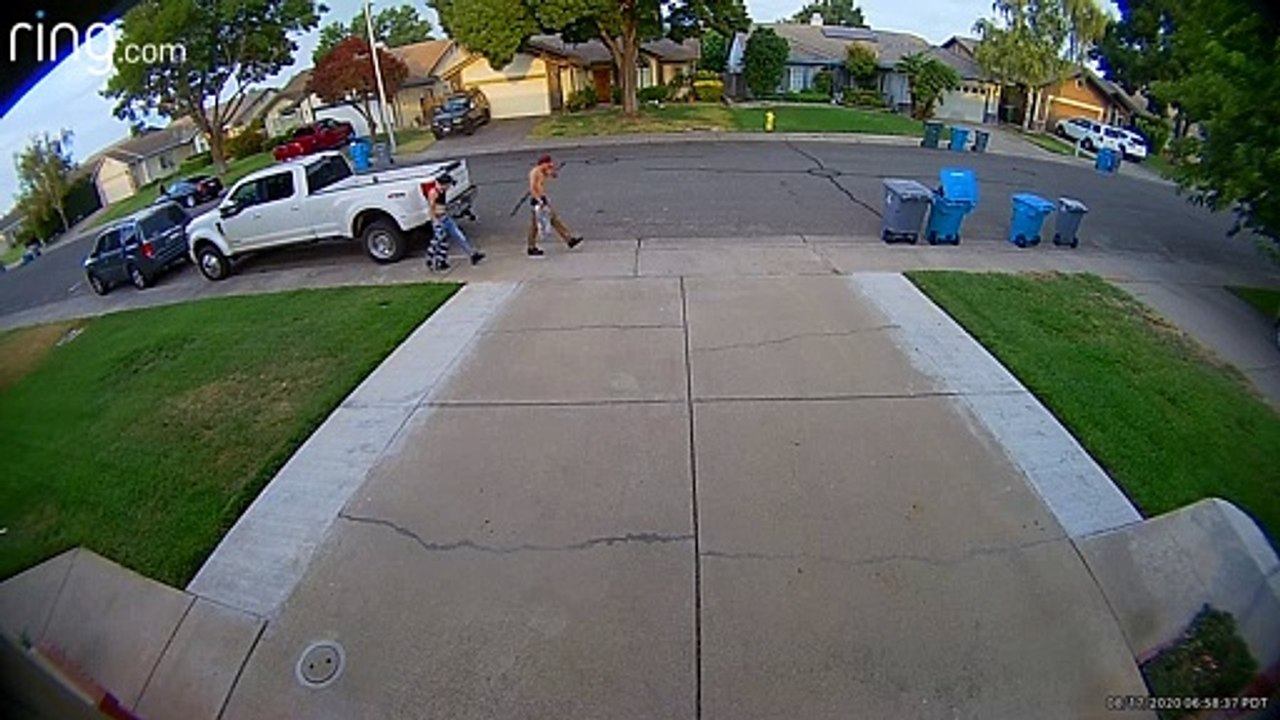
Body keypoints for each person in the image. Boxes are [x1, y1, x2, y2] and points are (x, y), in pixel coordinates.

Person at [526, 154, 582, 257]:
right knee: (535, 226)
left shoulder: (543, 171)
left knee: (554, 220)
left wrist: (552, 171)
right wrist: (539, 201)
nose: (549, 165)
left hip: (543, 198)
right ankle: (531, 247)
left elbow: (553, 175)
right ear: (542, 163)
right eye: (548, 163)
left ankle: (569, 239)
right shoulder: (535, 172)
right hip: (537, 200)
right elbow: (533, 188)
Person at [426, 174, 484, 271]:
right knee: (438, 242)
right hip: (439, 219)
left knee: (458, 236)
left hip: (446, 218)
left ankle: (472, 255)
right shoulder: (433, 192)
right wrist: (435, 221)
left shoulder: (442, 191)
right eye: (448, 185)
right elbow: (431, 208)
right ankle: (433, 260)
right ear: (443, 184)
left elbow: (443, 205)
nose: (449, 187)